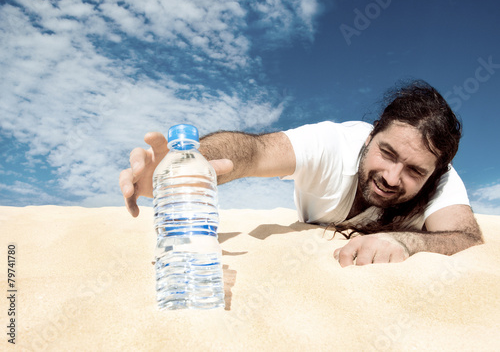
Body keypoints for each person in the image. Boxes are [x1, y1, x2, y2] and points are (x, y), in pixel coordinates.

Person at [119, 80, 484, 267]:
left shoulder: (442, 179)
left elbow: (465, 237)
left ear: (434, 174)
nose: (392, 176)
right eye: (387, 153)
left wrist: (408, 242)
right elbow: (253, 151)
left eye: (414, 172)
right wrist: (188, 164)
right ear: (371, 136)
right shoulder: (333, 143)